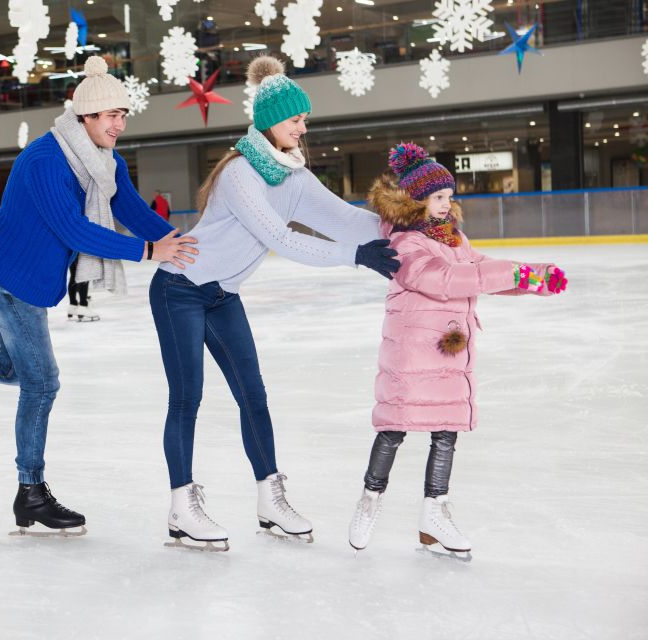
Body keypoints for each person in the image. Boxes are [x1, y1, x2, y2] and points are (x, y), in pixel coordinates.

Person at [0, 56, 198, 536]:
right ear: (85, 117)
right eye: (110, 115)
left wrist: (180, 241)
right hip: (6, 278)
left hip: (29, 280)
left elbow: (128, 206)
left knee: (16, 370)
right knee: (41, 383)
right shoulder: (46, 159)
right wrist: (151, 250)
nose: (119, 123)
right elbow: (74, 227)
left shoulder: (102, 161)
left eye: (123, 114)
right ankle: (30, 492)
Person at [150, 56, 399, 551]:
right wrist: (356, 258)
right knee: (187, 398)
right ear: (271, 122)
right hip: (180, 289)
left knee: (253, 395)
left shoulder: (294, 176)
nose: (303, 128)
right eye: (295, 119)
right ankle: (182, 506)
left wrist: (405, 226)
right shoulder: (241, 173)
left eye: (304, 119)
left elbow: (344, 219)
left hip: (222, 296)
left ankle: (270, 498)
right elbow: (280, 239)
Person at [346, 142, 567, 559]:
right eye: (439, 197)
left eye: (450, 196)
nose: (448, 204)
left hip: (447, 355)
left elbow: (479, 270)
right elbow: (446, 279)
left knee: (445, 433)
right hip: (413, 354)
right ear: (417, 200)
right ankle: (369, 500)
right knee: (394, 429)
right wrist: (520, 273)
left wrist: (534, 279)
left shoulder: (454, 238)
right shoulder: (405, 243)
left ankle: (434, 512)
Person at [66, 255, 98, 322]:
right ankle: (83, 305)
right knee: (84, 273)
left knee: (74, 273)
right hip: (81, 247)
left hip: (71, 246)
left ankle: (73, 305)